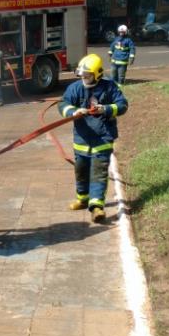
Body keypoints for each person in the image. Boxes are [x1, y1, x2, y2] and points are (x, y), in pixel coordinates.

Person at [59, 54, 128, 223]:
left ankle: (96, 206)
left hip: (103, 138)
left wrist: (105, 109)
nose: (84, 78)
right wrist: (72, 112)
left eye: (87, 75)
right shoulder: (75, 88)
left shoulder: (110, 87)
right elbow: (64, 103)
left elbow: (122, 105)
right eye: (82, 75)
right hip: (82, 139)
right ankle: (82, 199)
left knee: (98, 172)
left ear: (97, 74)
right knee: (81, 170)